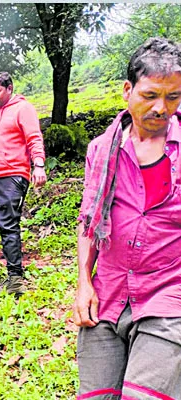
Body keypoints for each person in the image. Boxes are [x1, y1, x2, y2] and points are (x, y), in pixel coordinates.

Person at [74, 37, 181, 400]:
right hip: (108, 294)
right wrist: (83, 284)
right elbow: (89, 220)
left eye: (173, 97)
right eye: (150, 95)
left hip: (168, 294)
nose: (161, 108)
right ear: (127, 90)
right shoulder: (102, 150)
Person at [0, 71, 47, 296]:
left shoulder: (23, 109)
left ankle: (15, 278)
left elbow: (34, 137)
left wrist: (39, 165)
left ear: (9, 88)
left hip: (13, 176)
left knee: (8, 225)